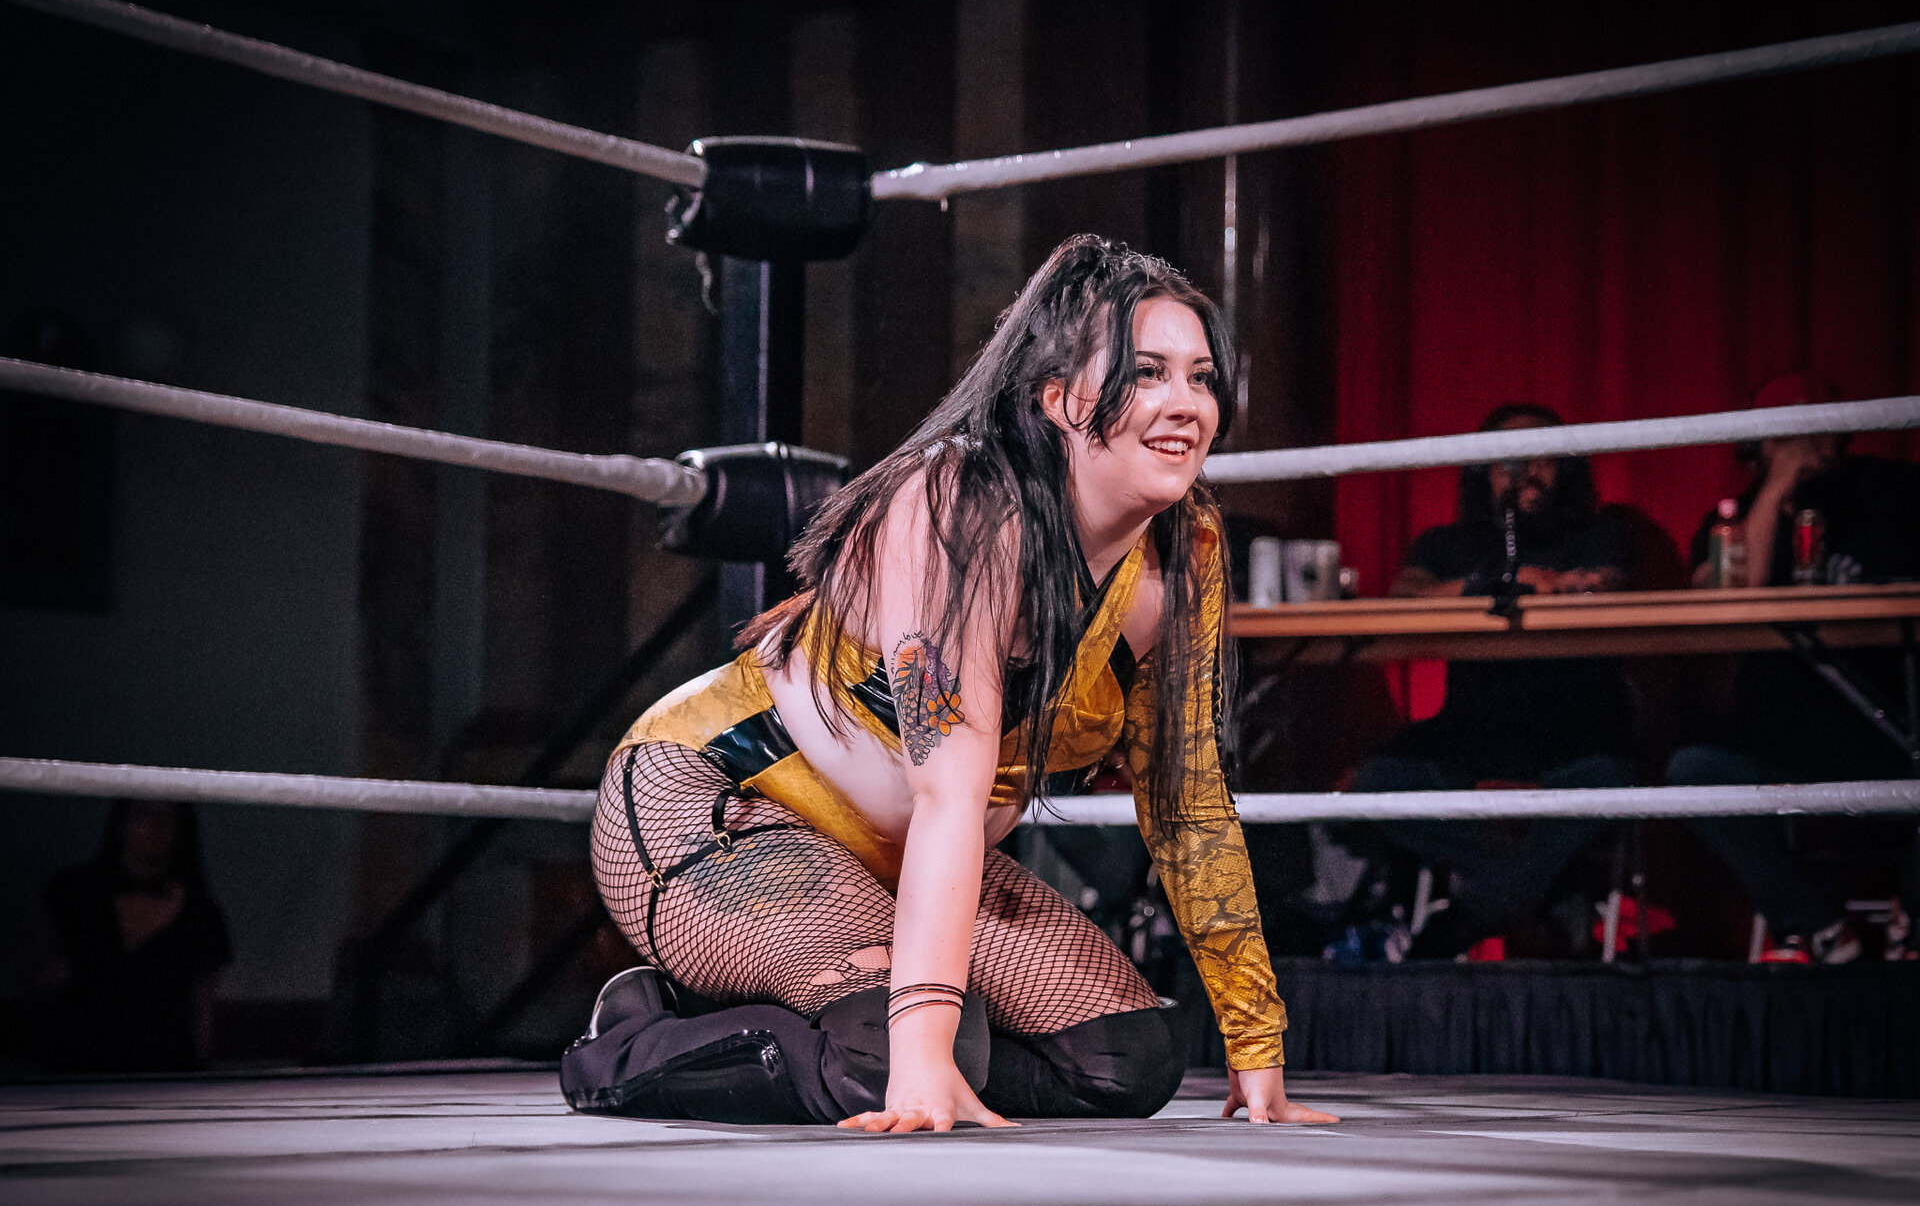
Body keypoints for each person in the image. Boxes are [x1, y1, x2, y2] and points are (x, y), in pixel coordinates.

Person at [561, 235, 1335, 1130]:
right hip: (721, 803)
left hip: (896, 860)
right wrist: (924, 1049)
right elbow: (948, 795)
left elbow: (1188, 802)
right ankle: (636, 1036)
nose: (1185, 405)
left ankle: (825, 1012)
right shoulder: (958, 509)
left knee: (1129, 1059)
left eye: (1201, 377)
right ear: (1058, 398)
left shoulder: (1185, 548)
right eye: (1147, 372)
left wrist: (1254, 1045)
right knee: (893, 1056)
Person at [1344, 403, 1637, 957]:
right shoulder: (1450, 543)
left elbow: (1604, 583)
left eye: (1541, 456)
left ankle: (1458, 926)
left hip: (1575, 737)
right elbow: (1404, 598)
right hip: (1472, 738)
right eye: (1508, 457)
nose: (1525, 469)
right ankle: (1544, 888)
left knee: (1611, 782)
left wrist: (1556, 584)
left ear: (1568, 465)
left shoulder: (1601, 530)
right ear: (1481, 469)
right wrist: (1499, 579)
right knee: (1372, 784)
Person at [1668, 372, 1920, 963]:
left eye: (1818, 426)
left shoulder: (1890, 490)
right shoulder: (1734, 516)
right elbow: (1730, 595)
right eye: (1786, 431)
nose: (1807, 441)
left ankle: (1915, 914)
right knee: (1693, 771)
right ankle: (1820, 924)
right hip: (1780, 732)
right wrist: (1780, 480)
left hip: (1888, 722)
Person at [43, 800, 231, 1071]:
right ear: (121, 822)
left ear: (181, 830)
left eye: (168, 818)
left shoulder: (200, 912)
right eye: (144, 813)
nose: (155, 826)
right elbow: (44, 972)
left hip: (165, 1064)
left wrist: (200, 1067)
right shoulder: (72, 892)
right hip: (77, 1059)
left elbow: (204, 1001)